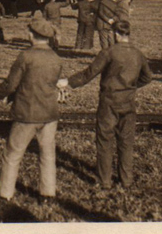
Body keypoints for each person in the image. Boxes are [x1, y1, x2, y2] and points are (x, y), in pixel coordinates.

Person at [60, 20, 152, 189]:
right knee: (126, 141)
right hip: (128, 101)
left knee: (104, 140)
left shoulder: (108, 52)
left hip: (109, 101)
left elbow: (89, 74)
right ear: (128, 33)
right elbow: (147, 77)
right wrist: (130, 87)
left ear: (115, 34)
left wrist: (69, 82)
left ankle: (105, 181)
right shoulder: (138, 54)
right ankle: (126, 180)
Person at [0, 17, 64, 201]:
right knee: (47, 154)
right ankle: (47, 193)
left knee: (12, 154)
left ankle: (5, 194)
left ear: (32, 35)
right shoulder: (56, 58)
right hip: (49, 113)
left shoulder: (26, 56)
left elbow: (11, 84)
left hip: (27, 112)